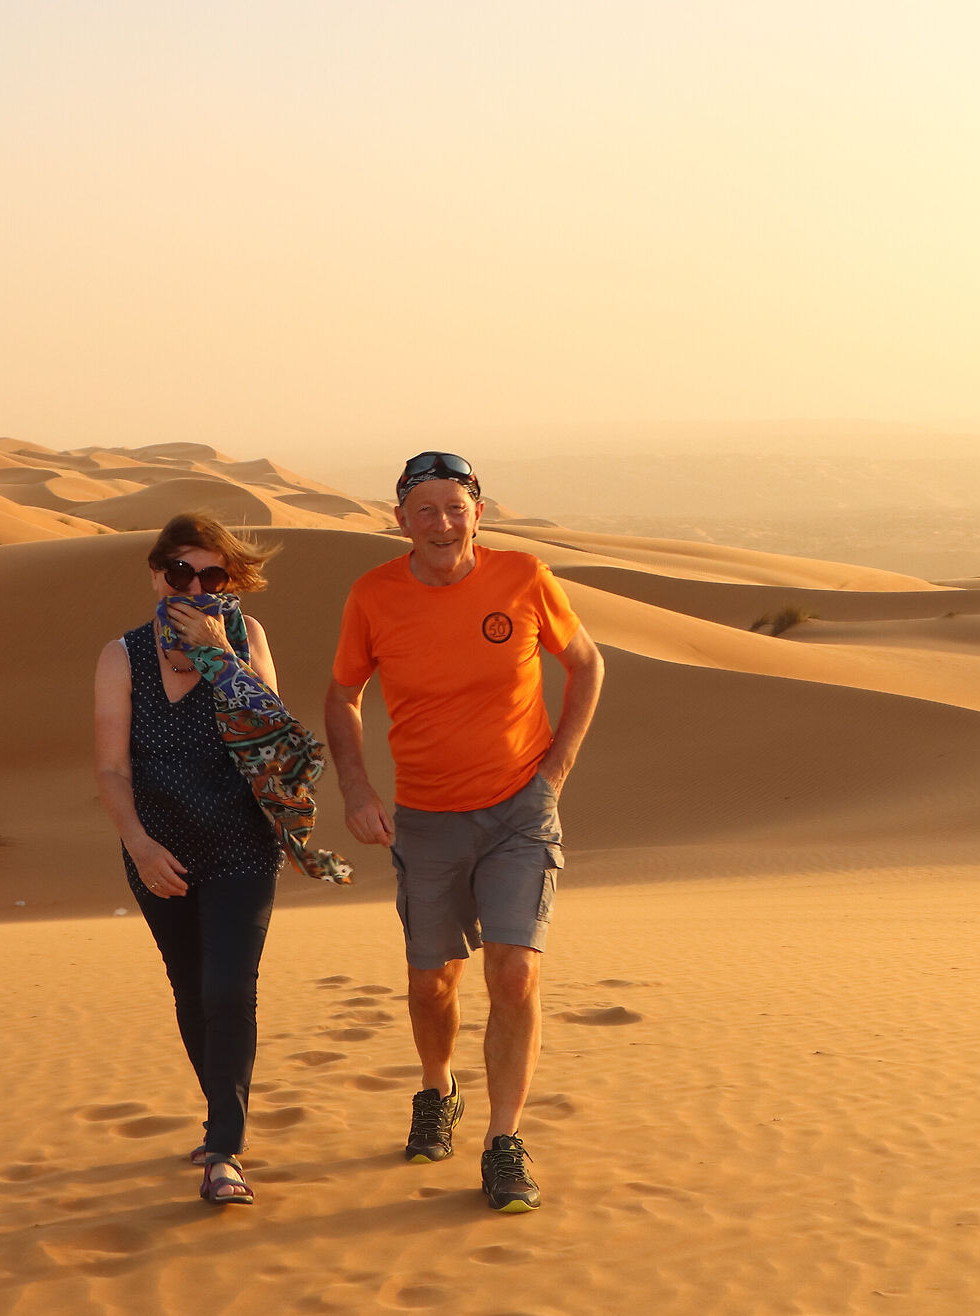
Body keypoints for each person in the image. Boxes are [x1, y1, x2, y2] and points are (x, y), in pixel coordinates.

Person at [324, 452, 605, 1212]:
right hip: (425, 815)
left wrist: (556, 772)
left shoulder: (524, 577)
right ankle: (436, 1089)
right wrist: (356, 790)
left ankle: (503, 1141)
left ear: (479, 512)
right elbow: (343, 697)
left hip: (520, 809)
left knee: (515, 973)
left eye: (455, 508)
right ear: (400, 521)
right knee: (431, 981)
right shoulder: (373, 596)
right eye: (425, 511)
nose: (442, 524)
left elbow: (586, 664)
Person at [92, 513, 288, 1207]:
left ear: (230, 583)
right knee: (191, 989)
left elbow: (271, 729)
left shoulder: (246, 639)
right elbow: (113, 770)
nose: (196, 586)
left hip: (242, 842)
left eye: (213, 575)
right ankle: (219, 1125)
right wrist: (139, 845)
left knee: (230, 989)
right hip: (159, 851)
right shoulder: (123, 657)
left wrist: (218, 653)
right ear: (156, 574)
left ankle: (225, 1150)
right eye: (182, 572)